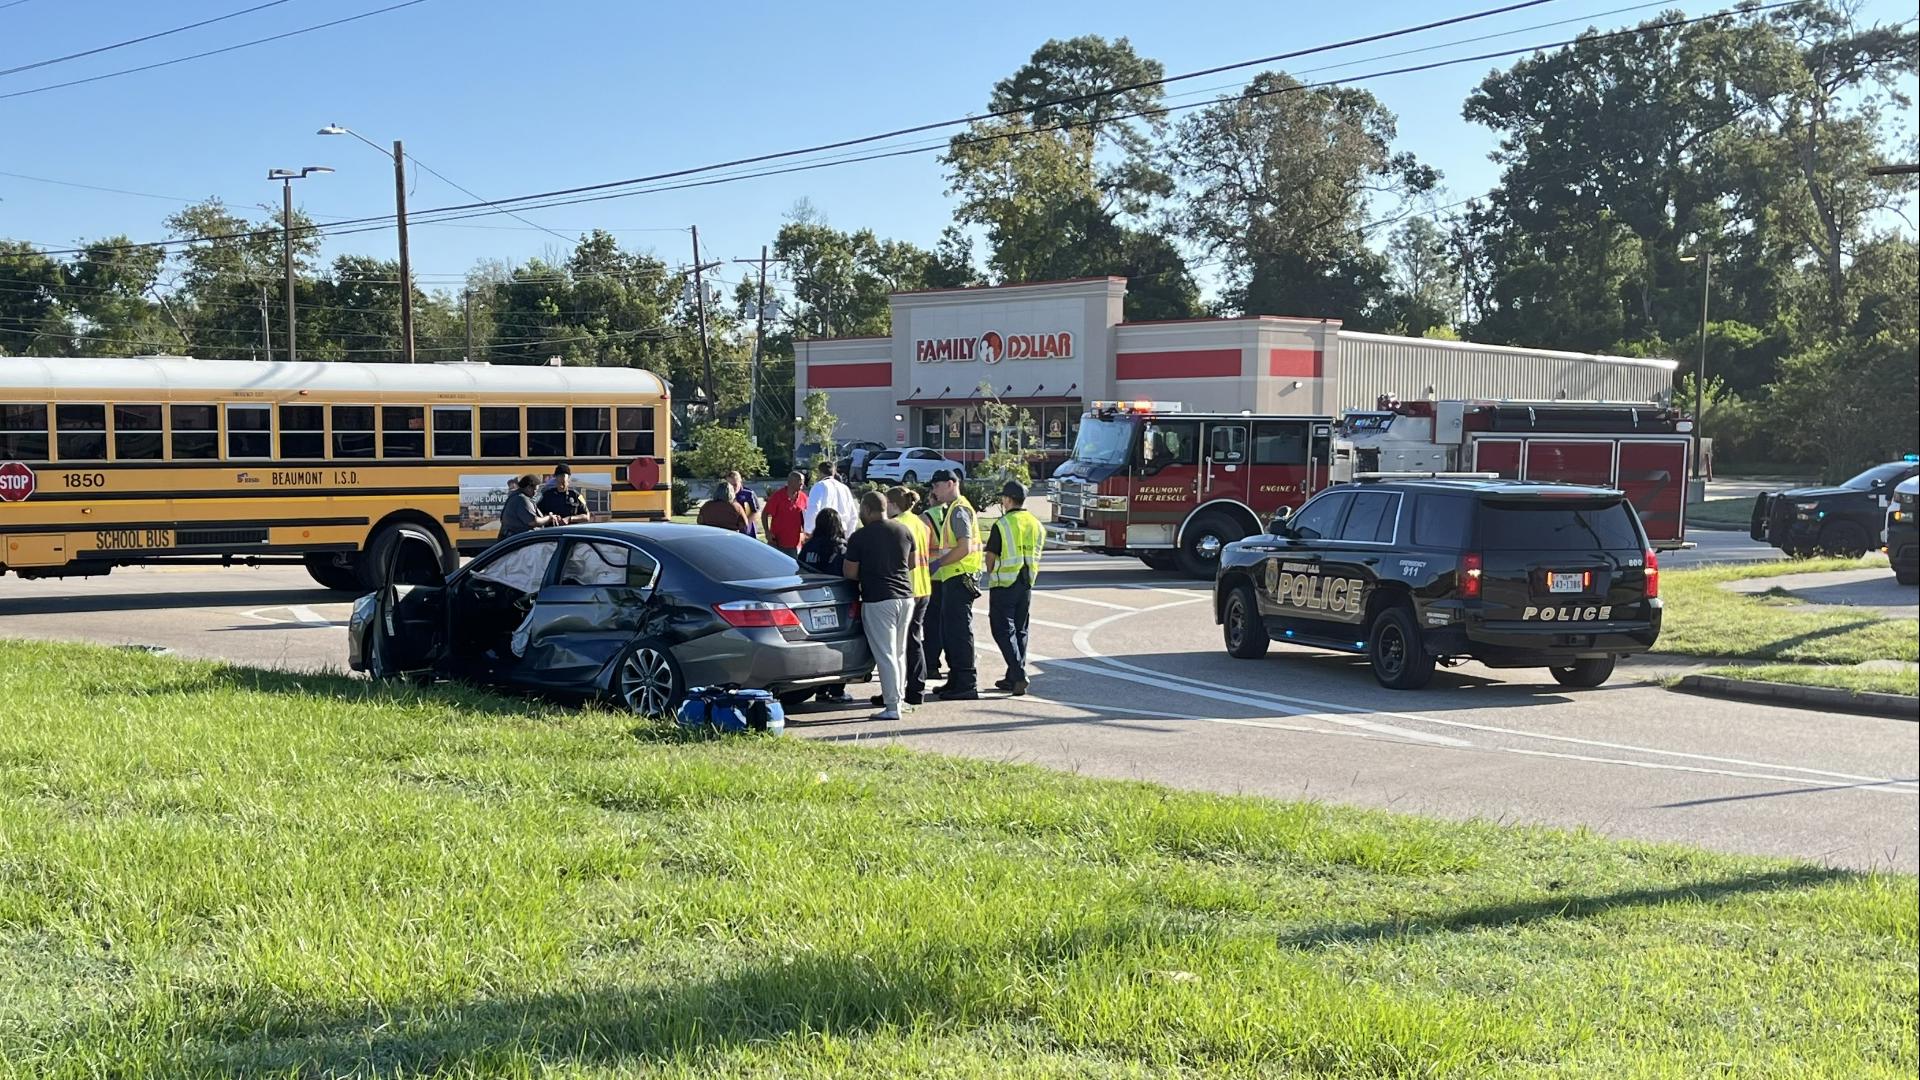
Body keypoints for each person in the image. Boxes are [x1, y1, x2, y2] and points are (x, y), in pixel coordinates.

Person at [843, 490, 915, 721]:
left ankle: (892, 706)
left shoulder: (860, 537)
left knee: (885, 654)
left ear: (867, 509)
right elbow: (911, 563)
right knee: (899, 652)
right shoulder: (903, 530)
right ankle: (900, 700)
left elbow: (850, 572)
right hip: (906, 596)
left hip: (879, 599)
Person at [871, 486, 931, 707]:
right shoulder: (920, 522)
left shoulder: (900, 525)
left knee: (904, 643)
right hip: (923, 585)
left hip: (907, 588)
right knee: (914, 638)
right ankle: (912, 688)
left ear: (894, 505)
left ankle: (907, 689)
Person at [983, 479, 1044, 696]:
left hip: (1004, 582)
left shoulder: (1003, 523)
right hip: (1026, 581)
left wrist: (991, 572)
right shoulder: (1036, 523)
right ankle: (1013, 676)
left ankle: (1018, 674)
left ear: (1008, 500)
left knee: (1002, 629)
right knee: (1020, 629)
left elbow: (991, 556)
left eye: (1003, 498)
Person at [926, 470, 981, 700]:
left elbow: (964, 547)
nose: (934, 491)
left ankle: (966, 682)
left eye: (937, 486)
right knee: (951, 632)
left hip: (960, 575)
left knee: (958, 632)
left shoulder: (959, 509)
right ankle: (956, 679)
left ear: (950, 484)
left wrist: (938, 563)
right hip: (955, 576)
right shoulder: (953, 509)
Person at [796, 507, 855, 706]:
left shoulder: (808, 546)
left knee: (818, 645)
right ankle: (837, 690)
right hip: (834, 600)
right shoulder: (839, 546)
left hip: (809, 599)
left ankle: (820, 689)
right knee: (839, 644)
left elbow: (799, 570)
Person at [919, 494, 948, 684]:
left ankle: (931, 665)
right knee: (948, 624)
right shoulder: (951, 512)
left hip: (932, 575)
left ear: (930, 498)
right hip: (951, 573)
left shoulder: (926, 517)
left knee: (931, 624)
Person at [802, 459, 856, 545]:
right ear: (834, 473)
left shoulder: (819, 486)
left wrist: (809, 531)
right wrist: (849, 534)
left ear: (820, 472)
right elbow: (853, 515)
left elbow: (813, 509)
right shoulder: (844, 488)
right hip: (842, 534)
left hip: (824, 534)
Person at [762, 470, 809, 558]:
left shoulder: (803, 497)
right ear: (791, 482)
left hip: (795, 543)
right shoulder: (778, 496)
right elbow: (765, 513)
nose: (803, 485)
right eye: (800, 483)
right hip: (777, 542)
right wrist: (767, 531)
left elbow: (806, 517)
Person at [498, 473, 555, 540]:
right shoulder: (522, 499)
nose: (535, 493)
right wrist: (549, 518)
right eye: (535, 490)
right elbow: (533, 521)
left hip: (513, 539)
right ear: (528, 487)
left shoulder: (515, 496)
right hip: (516, 541)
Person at [728, 469, 760, 539]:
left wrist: (745, 525)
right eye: (730, 485)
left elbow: (756, 511)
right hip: (731, 528)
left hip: (746, 528)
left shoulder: (749, 493)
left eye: (735, 485)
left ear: (740, 481)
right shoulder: (725, 495)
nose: (733, 488)